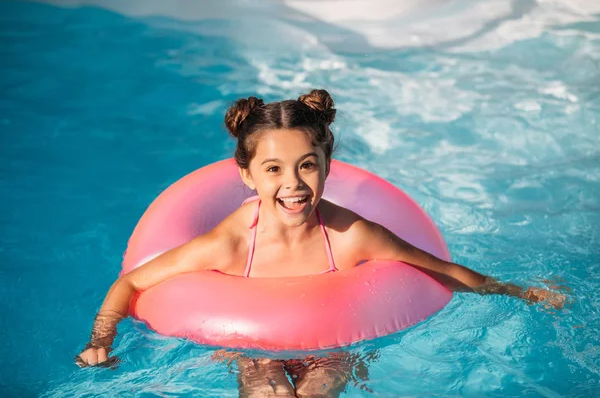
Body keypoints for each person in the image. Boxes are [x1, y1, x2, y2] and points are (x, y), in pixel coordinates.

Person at [75, 89, 566, 397]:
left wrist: (517, 292)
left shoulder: (352, 235)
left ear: (328, 164)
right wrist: (101, 340)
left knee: (319, 388)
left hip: (334, 345)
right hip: (253, 347)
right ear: (247, 176)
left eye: (307, 164)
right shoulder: (229, 244)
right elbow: (134, 281)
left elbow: (439, 268)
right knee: (268, 387)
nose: (293, 184)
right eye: (273, 170)